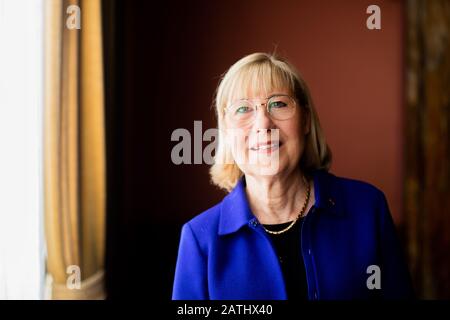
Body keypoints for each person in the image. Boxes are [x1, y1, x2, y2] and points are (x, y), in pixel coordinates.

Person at [172, 52, 414, 300]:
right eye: (243, 109)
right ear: (226, 131)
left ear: (306, 120)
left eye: (278, 103)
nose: (263, 124)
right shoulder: (199, 238)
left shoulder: (368, 208)